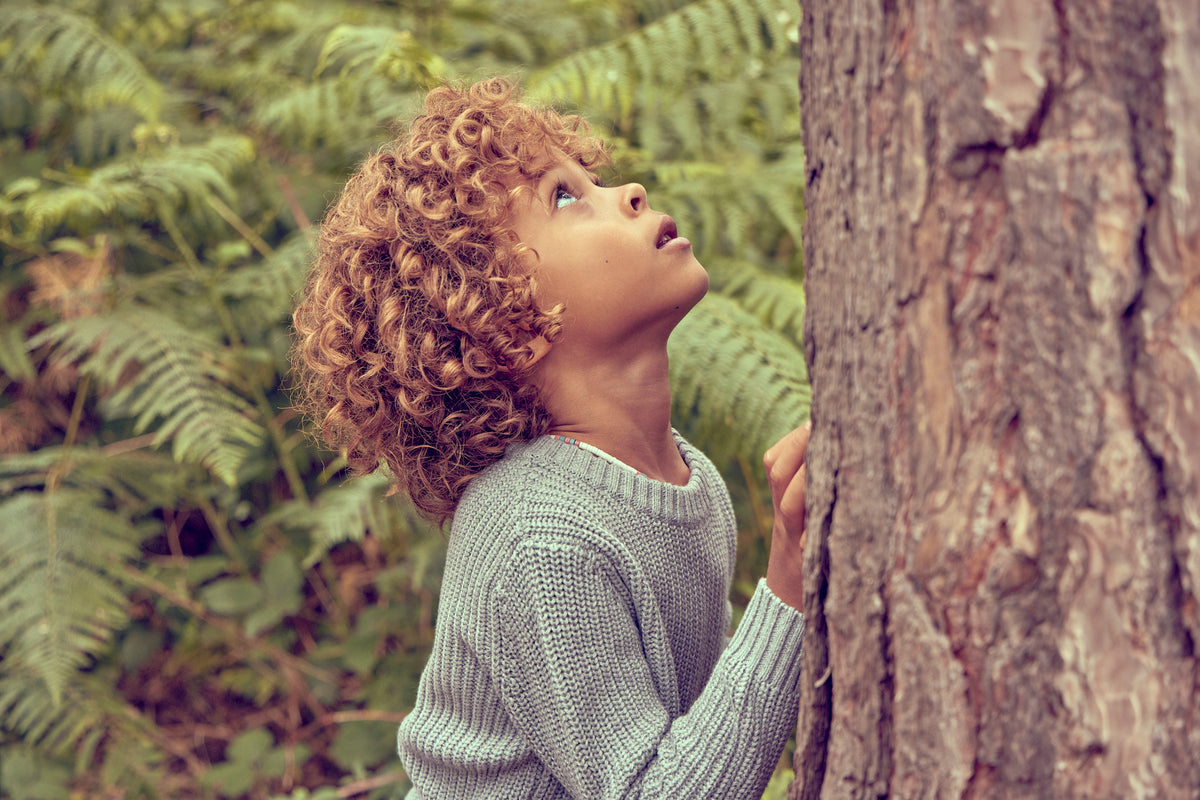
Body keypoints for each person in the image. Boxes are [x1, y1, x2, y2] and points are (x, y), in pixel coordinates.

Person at [292, 76, 810, 799]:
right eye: (567, 198)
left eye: (592, 180)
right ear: (499, 313)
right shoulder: (540, 535)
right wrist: (788, 584)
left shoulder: (688, 478)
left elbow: (702, 734)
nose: (627, 191)